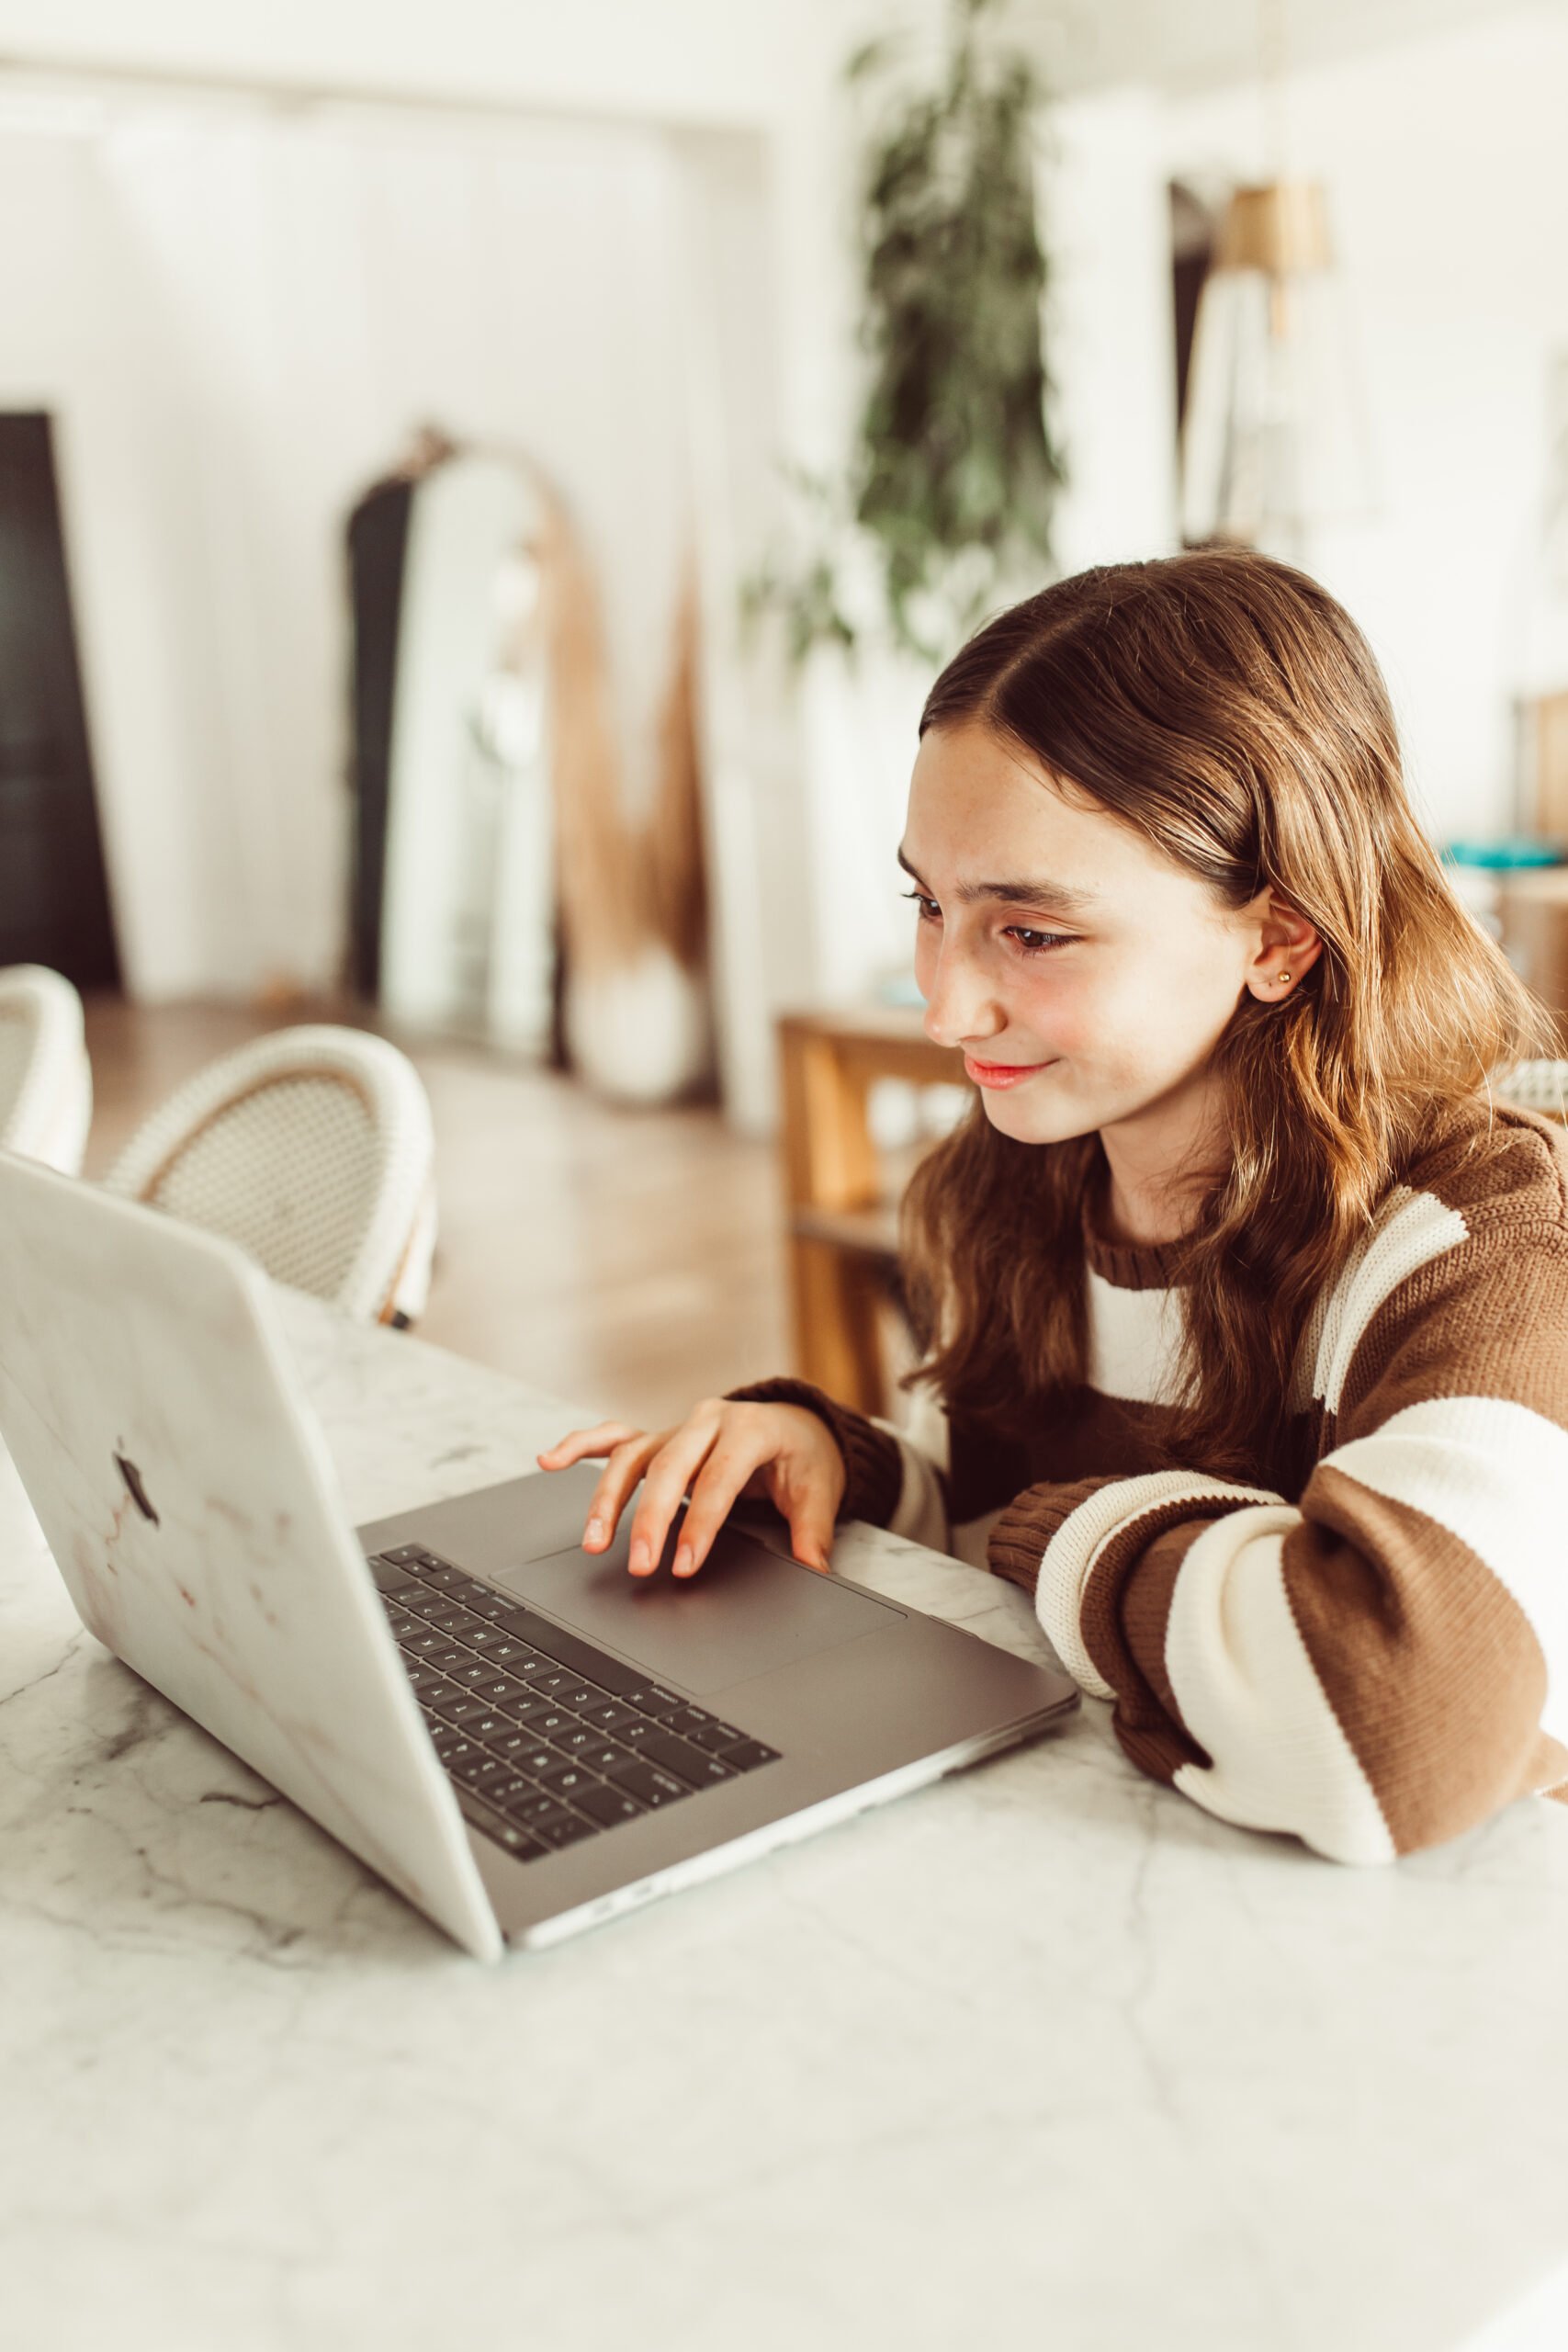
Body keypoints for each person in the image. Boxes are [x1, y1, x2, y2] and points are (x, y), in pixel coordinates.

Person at [539, 549, 1568, 1864]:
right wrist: (847, 1472)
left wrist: (1059, 1529)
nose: (946, 1009)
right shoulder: (1017, 1181)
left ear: (1278, 938)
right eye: (931, 906)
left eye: (1030, 932)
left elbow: (1391, 1730)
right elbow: (993, 1542)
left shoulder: (1480, 1250)